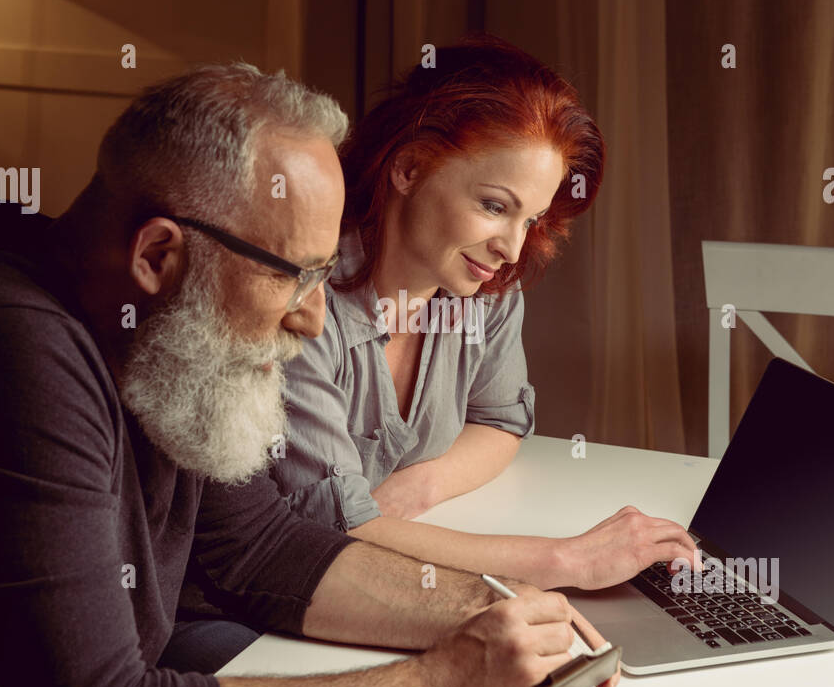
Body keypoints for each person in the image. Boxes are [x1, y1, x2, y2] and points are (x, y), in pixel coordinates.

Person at [0, 62, 622, 687]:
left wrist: (486, 611)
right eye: (295, 276)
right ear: (159, 253)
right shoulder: (27, 353)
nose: (311, 320)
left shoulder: (163, 333)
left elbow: (255, 551)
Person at [271, 35, 701, 589]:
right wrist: (566, 561)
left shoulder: (485, 288)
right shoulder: (304, 301)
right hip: (263, 610)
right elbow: (333, 528)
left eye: (530, 220)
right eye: (495, 206)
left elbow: (500, 422)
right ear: (409, 169)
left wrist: (419, 487)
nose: (512, 250)